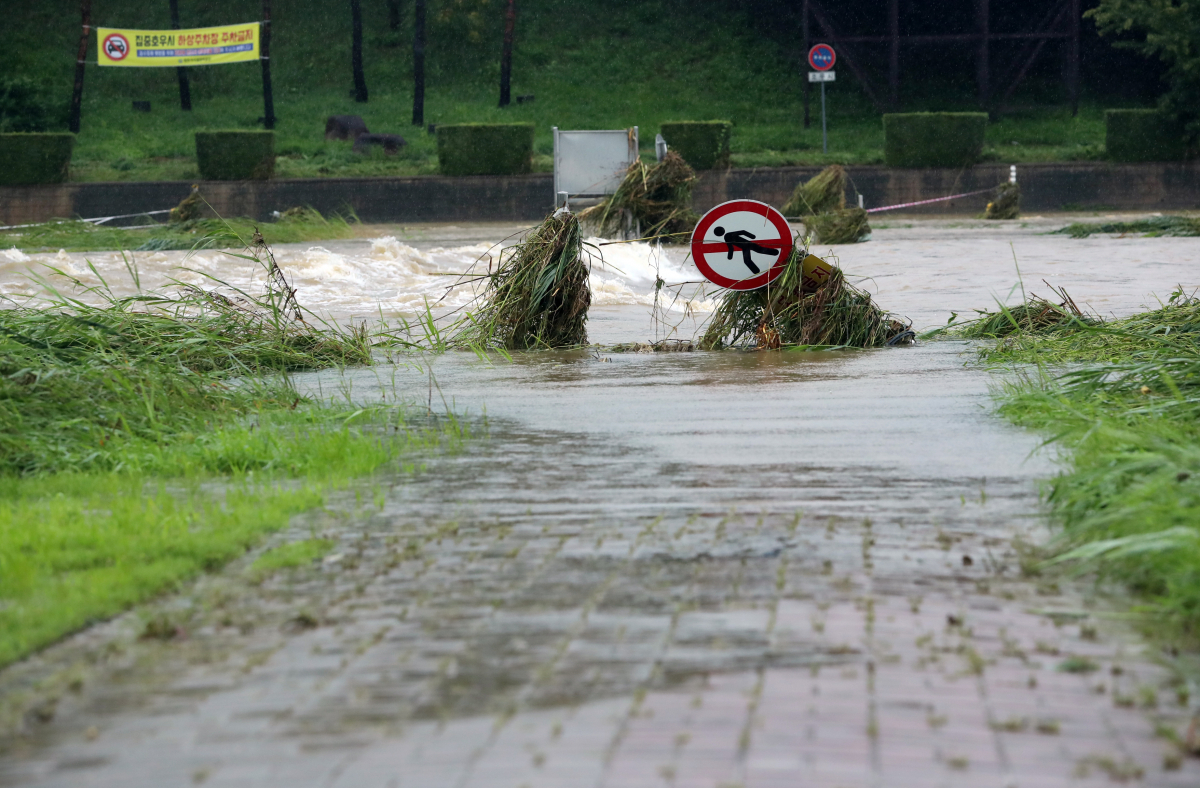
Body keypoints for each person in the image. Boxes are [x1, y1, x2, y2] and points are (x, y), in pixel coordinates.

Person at [713, 226, 778, 274]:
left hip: (746, 245)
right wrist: (752, 236)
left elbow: (731, 247)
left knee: (758, 252)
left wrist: (730, 257)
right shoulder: (728, 235)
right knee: (755, 254)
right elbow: (743, 232)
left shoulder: (727, 236)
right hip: (746, 246)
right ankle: (757, 272)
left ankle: (776, 252)